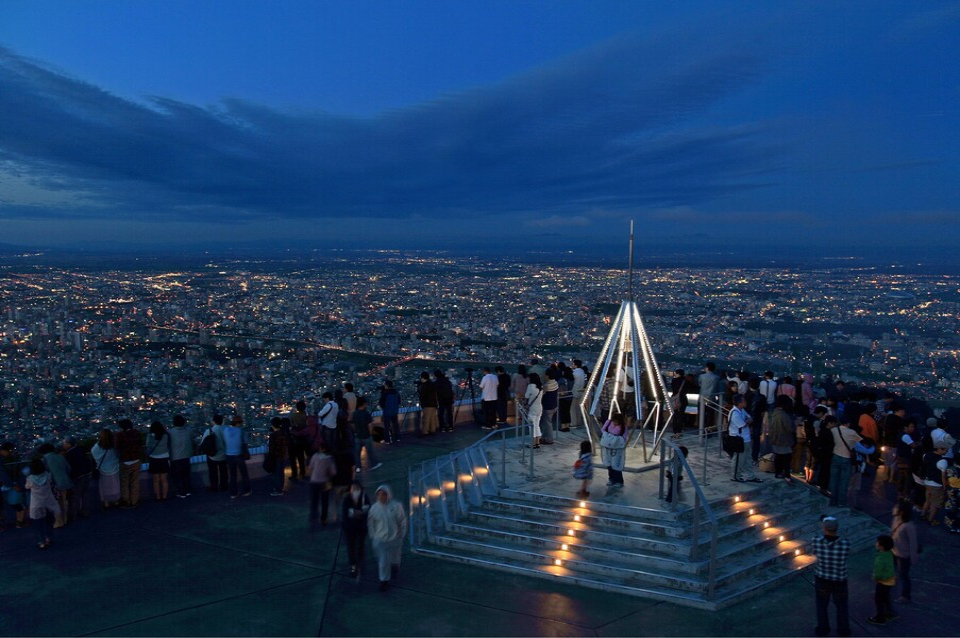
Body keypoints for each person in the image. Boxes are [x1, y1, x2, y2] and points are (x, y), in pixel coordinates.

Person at [811, 516, 851, 637]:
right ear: (837, 528)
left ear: (823, 528)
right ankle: (843, 631)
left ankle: (823, 629)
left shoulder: (816, 541)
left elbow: (814, 553)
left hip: (822, 578)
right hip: (839, 579)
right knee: (842, 607)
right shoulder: (845, 544)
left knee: (822, 606)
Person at [368, 483, 407, 591]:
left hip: (395, 537)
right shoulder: (374, 509)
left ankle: (395, 565)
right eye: (379, 495)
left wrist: (401, 534)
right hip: (381, 538)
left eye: (383, 494)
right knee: (383, 560)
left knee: (395, 554)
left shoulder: (396, 506)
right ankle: (384, 580)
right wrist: (373, 535)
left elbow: (402, 520)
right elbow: (371, 523)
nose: (381, 497)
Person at [828, 418, 862, 508]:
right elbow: (859, 443)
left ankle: (832, 500)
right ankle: (841, 502)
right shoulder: (852, 432)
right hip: (846, 458)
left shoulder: (834, 430)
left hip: (835, 456)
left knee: (834, 479)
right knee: (844, 481)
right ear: (848, 423)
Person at [25, 458, 59, 550]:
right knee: (49, 521)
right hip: (48, 501)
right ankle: (48, 538)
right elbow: (52, 483)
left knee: (38, 524)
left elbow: (27, 487)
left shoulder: (30, 479)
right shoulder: (48, 475)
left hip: (37, 503)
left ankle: (41, 542)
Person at [921, 436, 954, 525]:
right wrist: (945, 487)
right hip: (936, 485)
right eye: (945, 450)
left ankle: (923, 514)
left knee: (927, 500)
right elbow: (943, 477)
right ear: (940, 449)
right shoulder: (943, 461)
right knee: (935, 504)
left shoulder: (926, 455)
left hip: (927, 482)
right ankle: (931, 520)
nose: (946, 451)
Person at [341, 479, 371, 580]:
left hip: (361, 528)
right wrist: (358, 513)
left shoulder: (364, 497)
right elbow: (347, 514)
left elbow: (367, 511)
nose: (355, 490)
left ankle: (361, 564)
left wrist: (354, 513)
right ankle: (353, 566)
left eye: (357, 488)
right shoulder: (347, 499)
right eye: (353, 488)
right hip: (349, 529)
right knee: (351, 547)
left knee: (360, 546)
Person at [890, 501, 919, 604]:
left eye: (896, 507)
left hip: (903, 555)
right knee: (893, 571)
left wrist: (913, 558)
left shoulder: (909, 526)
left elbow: (913, 543)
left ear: (901, 512)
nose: (894, 509)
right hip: (893, 551)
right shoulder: (895, 519)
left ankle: (906, 596)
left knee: (904, 576)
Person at [728, 394, 761, 484]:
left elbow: (749, 418)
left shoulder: (741, 410)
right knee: (739, 459)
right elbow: (743, 424)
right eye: (744, 401)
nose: (745, 402)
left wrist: (747, 421)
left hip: (746, 439)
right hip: (739, 439)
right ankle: (735, 476)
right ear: (739, 403)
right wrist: (747, 421)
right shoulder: (735, 413)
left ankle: (750, 476)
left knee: (747, 458)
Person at [38, 443, 72, 527]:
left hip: (53, 484)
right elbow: (68, 469)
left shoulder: (44, 460)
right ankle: (65, 519)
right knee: (63, 501)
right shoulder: (60, 457)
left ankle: (58, 521)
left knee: (55, 503)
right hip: (64, 482)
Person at [867, 535, 897, 625]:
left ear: (881, 546)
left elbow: (878, 573)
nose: (876, 544)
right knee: (886, 598)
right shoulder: (890, 553)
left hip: (883, 582)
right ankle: (889, 613)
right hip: (890, 580)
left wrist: (875, 578)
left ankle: (880, 618)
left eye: (877, 542)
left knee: (879, 600)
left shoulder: (880, 558)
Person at [62, 437, 92, 522]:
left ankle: (73, 515)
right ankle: (86, 512)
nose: (63, 445)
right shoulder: (80, 450)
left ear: (69, 444)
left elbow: (69, 468)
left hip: (77, 477)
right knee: (85, 494)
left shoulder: (69, 455)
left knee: (75, 496)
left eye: (64, 444)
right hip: (86, 474)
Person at [306, 442, 336, 529]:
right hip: (324, 482)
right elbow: (333, 472)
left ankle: (313, 517)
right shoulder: (329, 459)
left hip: (314, 481)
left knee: (314, 501)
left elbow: (310, 468)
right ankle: (323, 519)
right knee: (324, 502)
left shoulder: (315, 456)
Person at [114, 419, 143, 509]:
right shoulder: (136, 433)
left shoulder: (120, 435)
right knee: (135, 482)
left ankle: (126, 501)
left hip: (125, 461)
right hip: (136, 459)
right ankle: (134, 500)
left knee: (124, 482)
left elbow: (117, 447)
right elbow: (140, 444)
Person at [767, 395, 796, 484]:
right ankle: (787, 476)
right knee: (787, 459)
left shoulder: (774, 413)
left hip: (775, 439)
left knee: (778, 457)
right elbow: (789, 428)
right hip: (784, 440)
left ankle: (778, 473)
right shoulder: (784, 415)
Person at [90, 428, 121, 509]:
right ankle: (116, 501)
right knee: (115, 485)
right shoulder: (114, 446)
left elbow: (93, 453)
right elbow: (118, 455)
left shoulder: (97, 446)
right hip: (114, 468)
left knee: (104, 486)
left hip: (102, 470)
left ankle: (106, 502)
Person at [223, 416, 252, 499]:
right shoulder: (241, 431)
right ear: (239, 423)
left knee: (232, 475)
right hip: (239, 455)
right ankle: (247, 490)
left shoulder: (225, 430)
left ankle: (233, 493)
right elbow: (245, 443)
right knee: (244, 473)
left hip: (229, 455)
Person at [167, 415, 195, 498]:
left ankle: (181, 492)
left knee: (177, 476)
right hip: (187, 456)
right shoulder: (189, 431)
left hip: (175, 457)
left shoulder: (170, 432)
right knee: (186, 475)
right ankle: (188, 490)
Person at [353, 397, 381, 473]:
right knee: (370, 451)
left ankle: (358, 467)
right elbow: (370, 425)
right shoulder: (366, 413)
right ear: (364, 404)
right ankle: (374, 464)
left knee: (357, 452)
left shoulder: (355, 413)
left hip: (358, 435)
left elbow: (353, 425)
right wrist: (370, 433)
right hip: (366, 436)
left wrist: (355, 432)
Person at [145, 421, 171, 501]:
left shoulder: (150, 436)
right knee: (164, 479)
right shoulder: (166, 435)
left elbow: (148, 446)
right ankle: (165, 496)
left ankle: (158, 497)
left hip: (154, 458)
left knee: (156, 480)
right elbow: (169, 445)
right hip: (164, 457)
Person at [600, 413, 627, 487]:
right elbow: (603, 430)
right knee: (609, 464)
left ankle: (619, 481)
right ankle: (611, 479)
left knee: (616, 464)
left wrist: (615, 439)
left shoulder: (623, 426)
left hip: (617, 448)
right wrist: (609, 437)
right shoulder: (608, 422)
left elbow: (624, 437)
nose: (615, 423)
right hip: (607, 447)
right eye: (614, 421)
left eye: (616, 422)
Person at [203, 415, 228, 492]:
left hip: (212, 455)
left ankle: (214, 487)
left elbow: (203, 443)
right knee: (223, 471)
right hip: (223, 455)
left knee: (212, 471)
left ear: (213, 421)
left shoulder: (209, 431)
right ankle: (224, 486)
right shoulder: (226, 430)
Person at [267, 417, 289, 496]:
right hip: (283, 455)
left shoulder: (273, 435)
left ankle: (277, 490)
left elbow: (271, 448)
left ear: (273, 425)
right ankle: (281, 487)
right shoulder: (283, 433)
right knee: (281, 472)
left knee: (276, 473)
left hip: (276, 456)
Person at [288, 401, 309, 481]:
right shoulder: (305, 416)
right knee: (301, 456)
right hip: (302, 438)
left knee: (292, 458)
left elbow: (291, 425)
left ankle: (294, 474)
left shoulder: (293, 416)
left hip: (294, 438)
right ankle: (302, 472)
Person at [540, 369, 559, 445]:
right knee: (547, 423)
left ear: (547, 375)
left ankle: (549, 439)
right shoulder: (555, 383)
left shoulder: (546, 385)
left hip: (548, 406)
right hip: (554, 405)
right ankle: (544, 437)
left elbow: (541, 394)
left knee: (548, 423)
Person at [524, 373, 544, 448]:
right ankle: (537, 442)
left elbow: (526, 396)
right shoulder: (540, 386)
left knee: (531, 426)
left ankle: (533, 443)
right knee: (537, 425)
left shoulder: (530, 386)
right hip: (539, 407)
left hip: (532, 408)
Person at [417, 371, 439, 436]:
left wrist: (419, 390)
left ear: (423, 378)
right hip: (433, 404)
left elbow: (422, 395)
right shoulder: (432, 384)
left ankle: (425, 431)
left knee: (426, 419)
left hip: (427, 404)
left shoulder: (424, 385)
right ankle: (432, 430)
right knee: (432, 418)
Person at [945, 457, 960, 535]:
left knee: (951, 508)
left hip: (951, 491)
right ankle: (958, 527)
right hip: (958, 491)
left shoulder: (950, 469)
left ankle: (952, 526)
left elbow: (947, 479)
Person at [570, 360, 586, 429]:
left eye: (573, 364)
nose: (572, 365)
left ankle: (573, 423)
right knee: (578, 408)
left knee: (572, 409)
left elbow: (574, 382)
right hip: (581, 391)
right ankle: (579, 422)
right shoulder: (582, 371)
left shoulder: (575, 372)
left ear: (575, 365)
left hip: (575, 391)